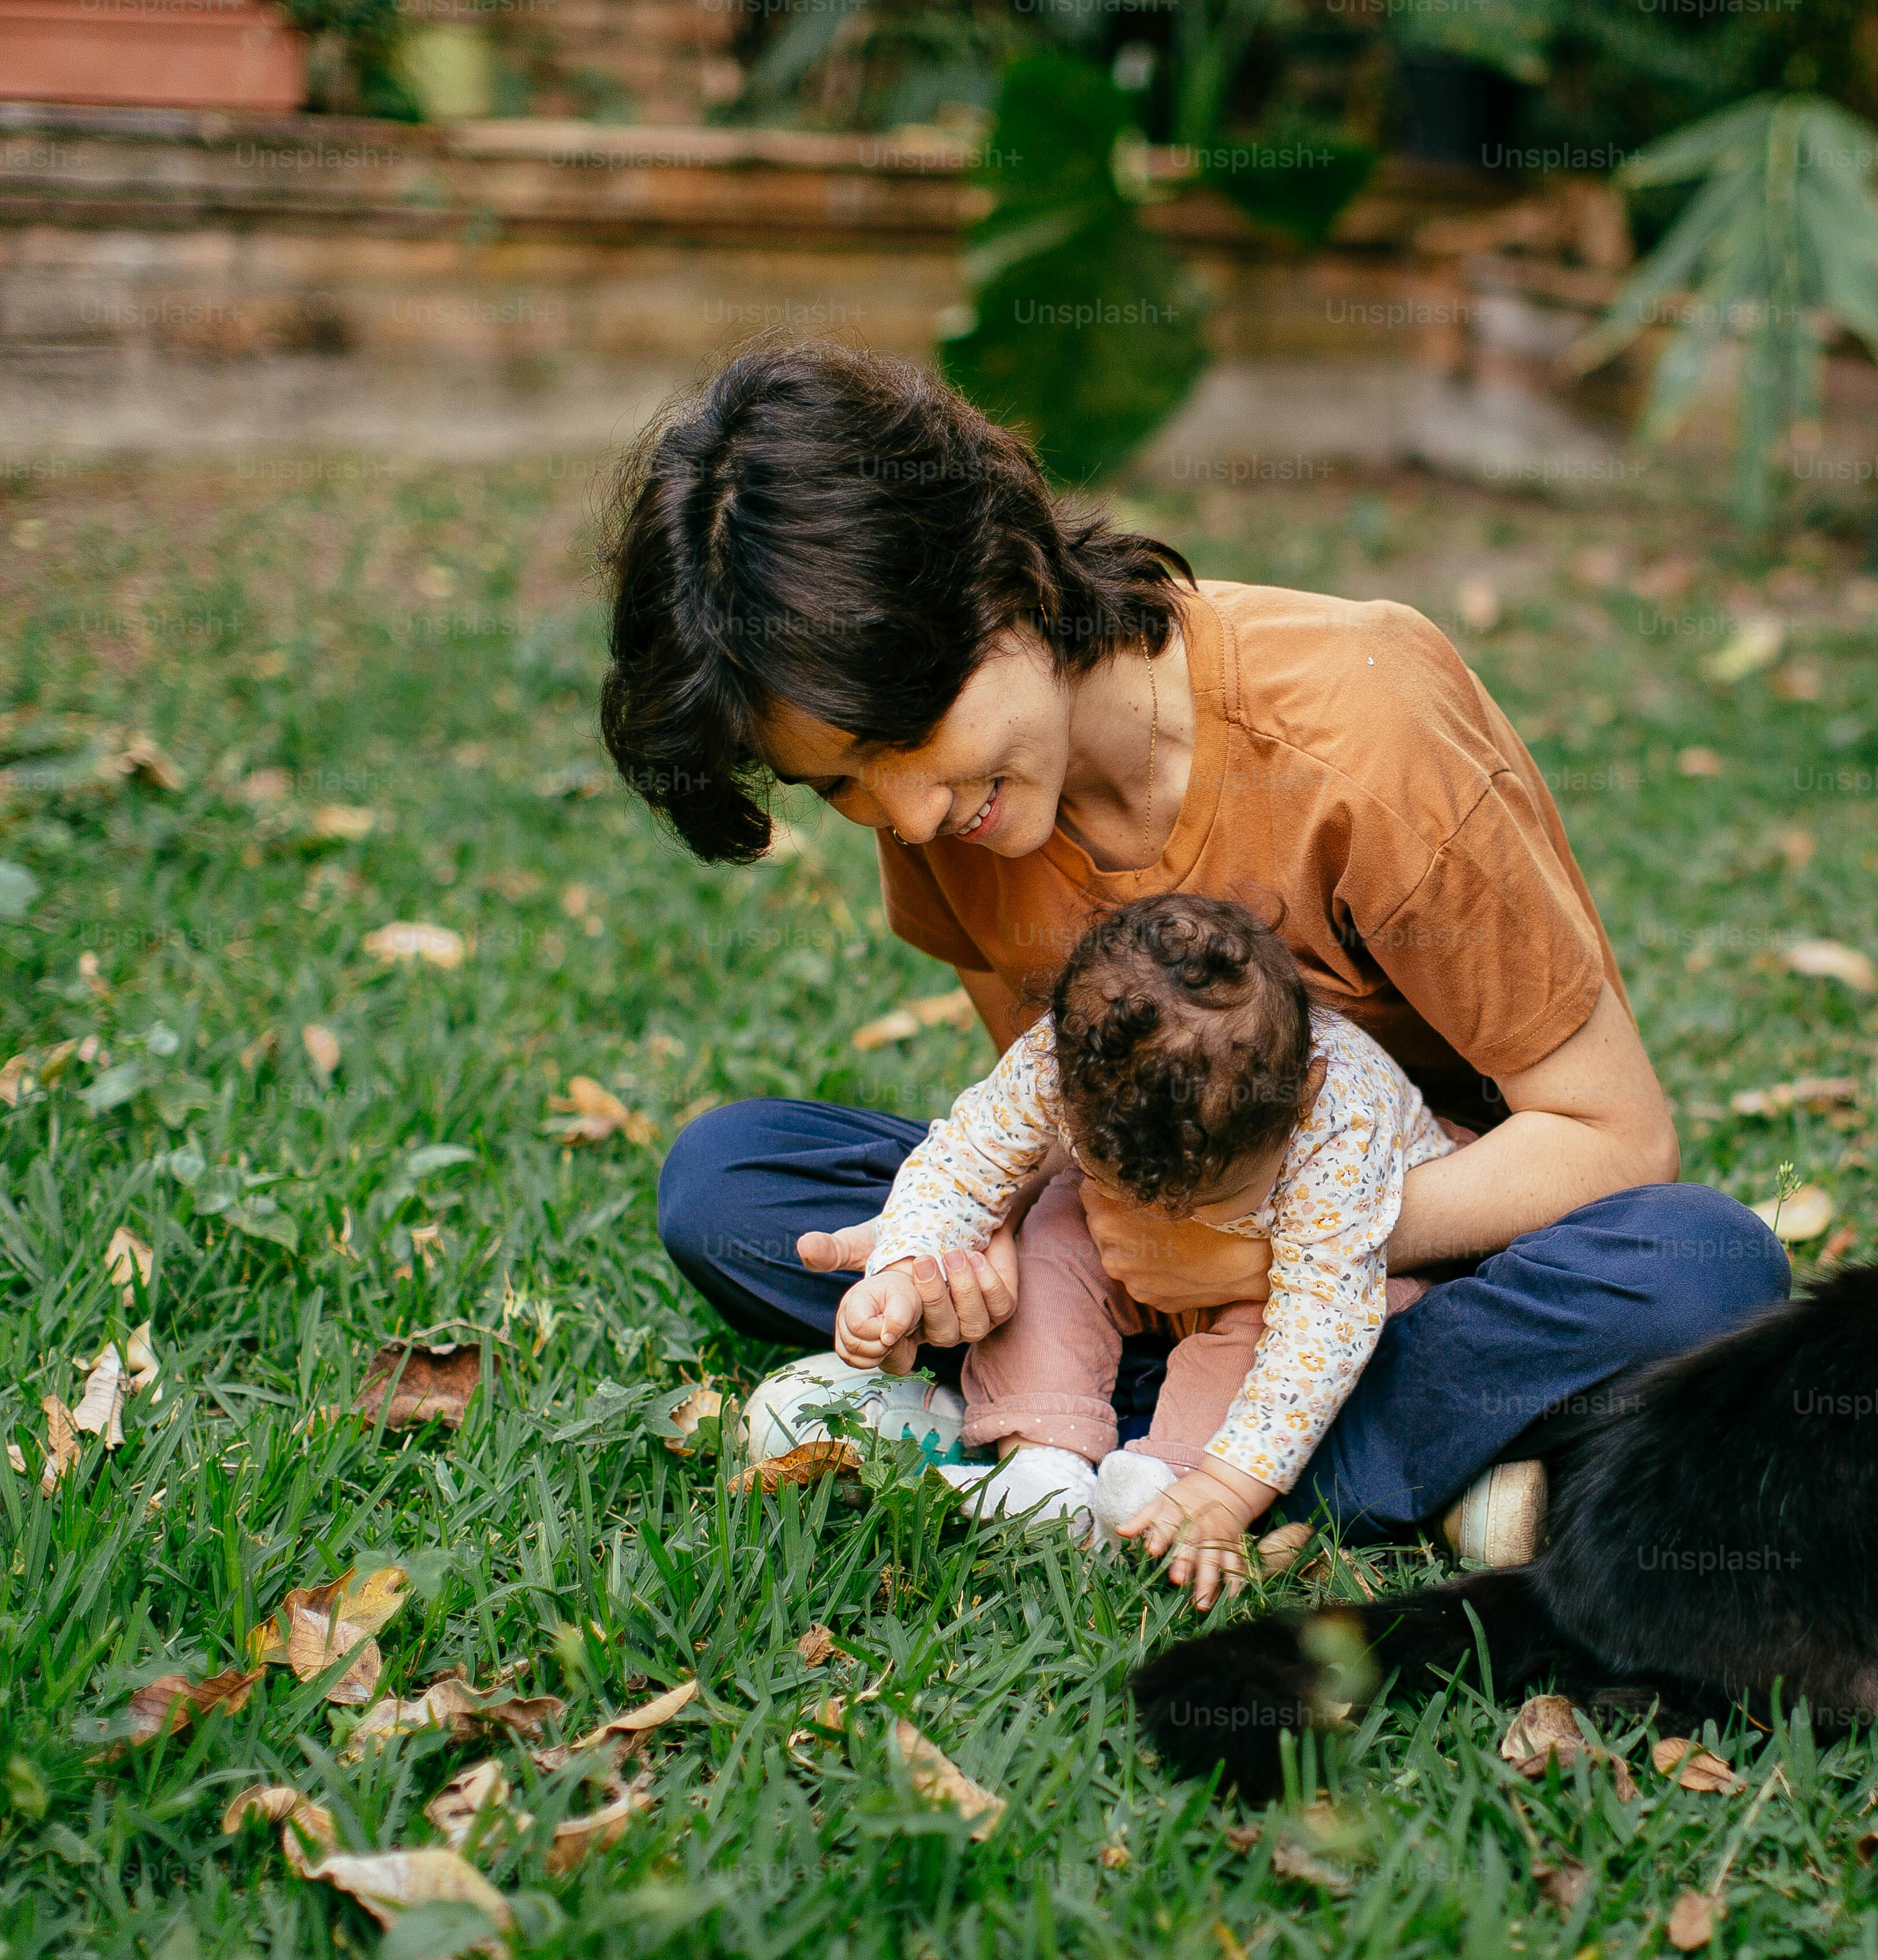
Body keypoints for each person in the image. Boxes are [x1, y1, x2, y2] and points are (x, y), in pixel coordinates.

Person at [606, 338, 1787, 1562]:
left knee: (1701, 1265)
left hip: (1421, 1240)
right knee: (726, 1183)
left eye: (900, 735)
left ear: (994, 573)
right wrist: (948, 1254)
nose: (903, 815)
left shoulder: (1361, 727)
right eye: (841, 783)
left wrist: (1256, 1243)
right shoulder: (956, 801)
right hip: (1138, 1258)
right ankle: (1355, 1456)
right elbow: (1061, 1123)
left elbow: (1615, 1136)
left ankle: (1078, 1444)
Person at [838, 891, 1451, 1606]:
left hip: (1298, 1279)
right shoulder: (1057, 1058)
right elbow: (963, 1162)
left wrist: (1230, 1487)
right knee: (1050, 1240)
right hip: (1117, 1252)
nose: (1175, 1221)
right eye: (1135, 1185)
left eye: (1209, 1196)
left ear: (1301, 1096)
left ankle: (1172, 1481)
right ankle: (1045, 1464)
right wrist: (912, 1264)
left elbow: (1323, 1323)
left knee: (1300, 1335)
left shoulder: (1340, 1115)